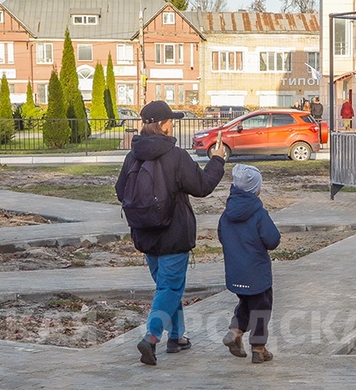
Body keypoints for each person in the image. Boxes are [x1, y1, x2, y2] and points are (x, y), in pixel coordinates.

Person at [116, 99, 227, 366]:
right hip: (173, 234)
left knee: (167, 288)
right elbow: (202, 186)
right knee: (170, 287)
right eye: (171, 121)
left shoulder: (133, 155)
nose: (173, 125)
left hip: (145, 234)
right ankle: (152, 337)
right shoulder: (175, 156)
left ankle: (176, 336)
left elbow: (121, 191)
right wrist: (217, 160)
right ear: (164, 125)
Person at [218, 164, 281, 364]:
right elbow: (272, 240)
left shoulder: (226, 214)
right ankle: (259, 348)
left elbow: (222, 236)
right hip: (257, 272)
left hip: (235, 270)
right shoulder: (258, 214)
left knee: (246, 302)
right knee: (262, 308)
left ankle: (235, 331)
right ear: (256, 189)